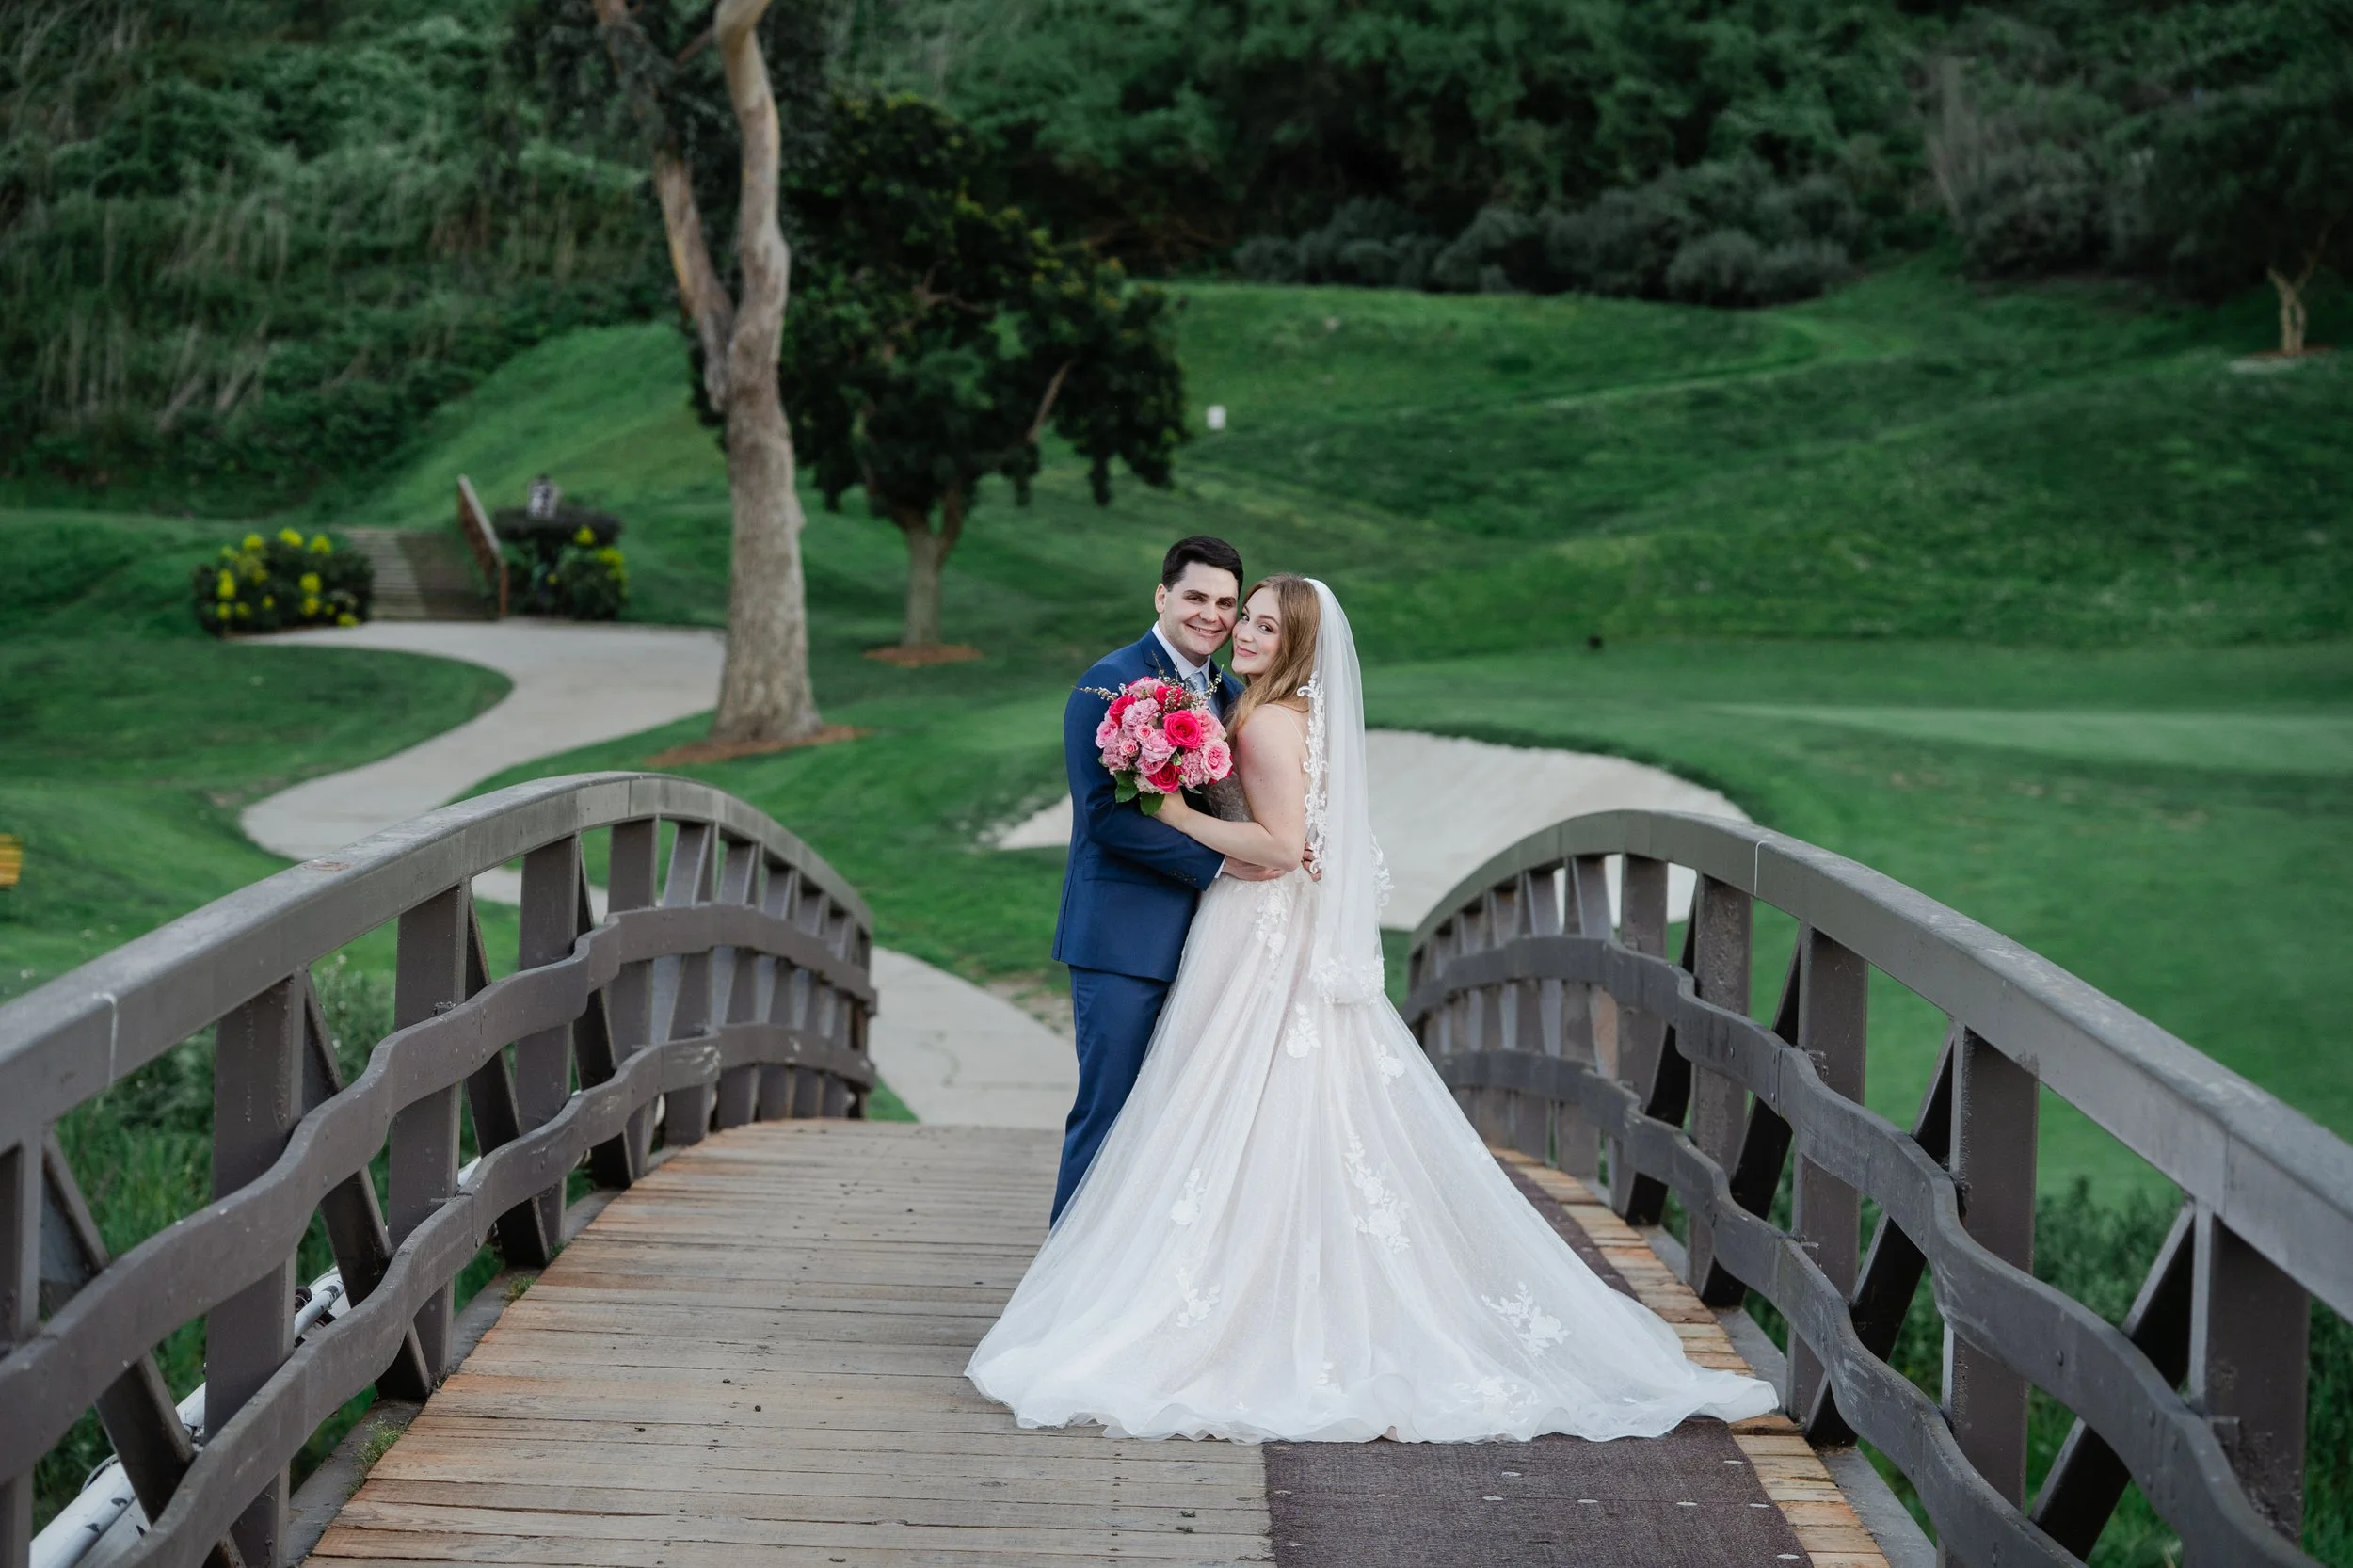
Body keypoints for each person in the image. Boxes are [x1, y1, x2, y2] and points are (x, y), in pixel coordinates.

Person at [969, 574, 1778, 1443]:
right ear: (1167, 596)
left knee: (1232, 1104)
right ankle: (1178, 1286)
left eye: (1263, 624)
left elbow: (1279, 846)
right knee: (1234, 1108)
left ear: (1299, 646)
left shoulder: (1270, 719)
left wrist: (1178, 812)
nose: (1240, 630)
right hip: (1245, 928)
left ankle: (1200, 1306)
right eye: (1243, 616)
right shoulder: (1245, 704)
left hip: (1255, 928)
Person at [1048, 536, 1284, 1223]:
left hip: (1215, 946)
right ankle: (1064, 1292)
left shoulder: (1236, 696)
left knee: (1183, 1128)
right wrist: (1216, 862)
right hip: (1123, 942)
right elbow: (1104, 818)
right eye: (1195, 597)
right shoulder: (1109, 684)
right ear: (1162, 596)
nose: (1212, 615)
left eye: (1224, 603)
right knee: (1110, 1114)